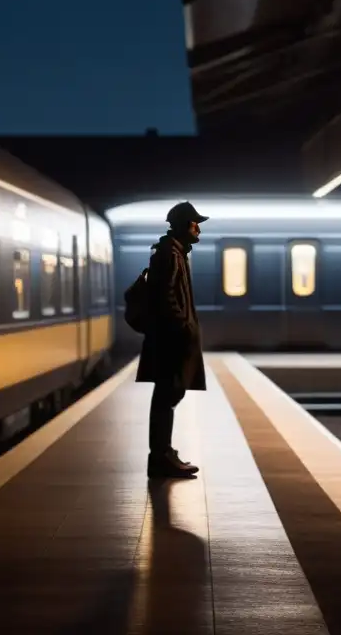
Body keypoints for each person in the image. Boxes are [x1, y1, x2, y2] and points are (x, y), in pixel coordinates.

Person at [135, 201, 208, 478]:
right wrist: (181, 327)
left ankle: (163, 452)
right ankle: (160, 456)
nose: (198, 228)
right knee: (167, 395)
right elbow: (165, 296)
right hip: (170, 340)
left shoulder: (175, 252)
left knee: (170, 394)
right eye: (194, 223)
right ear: (182, 225)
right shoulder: (169, 254)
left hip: (171, 338)